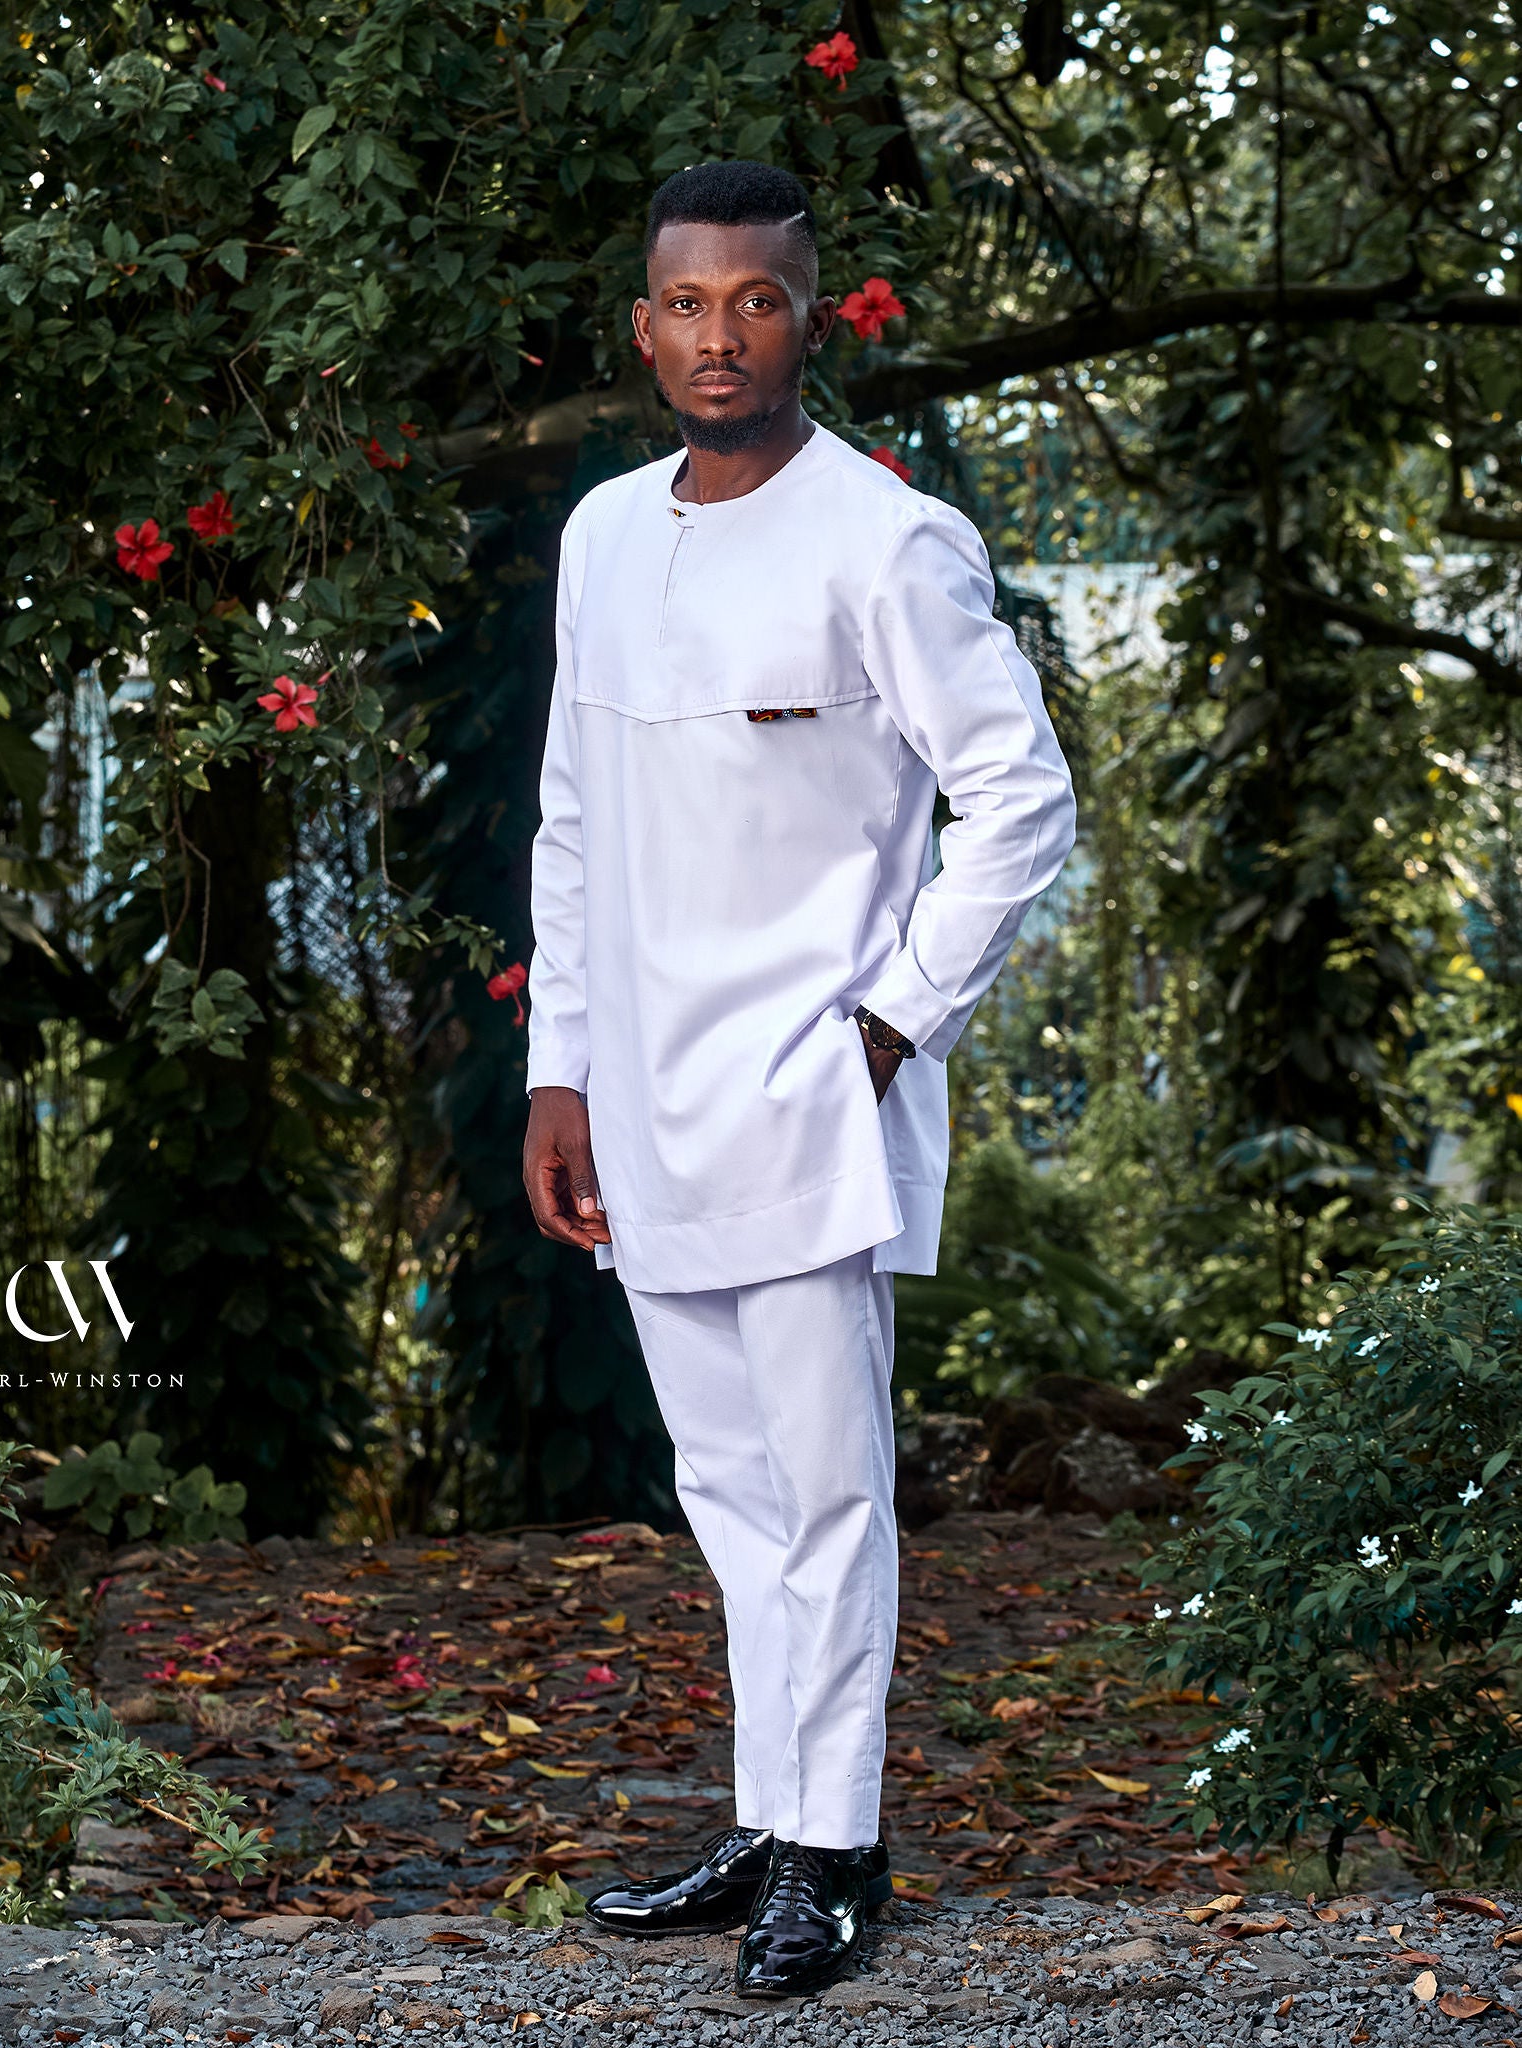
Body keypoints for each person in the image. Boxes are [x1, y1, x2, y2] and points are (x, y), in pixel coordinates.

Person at [521, 159, 1076, 1999]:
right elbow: (575, 817)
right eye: (685, 303)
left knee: (829, 1489)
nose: (716, 336)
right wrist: (558, 1072)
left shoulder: (882, 537)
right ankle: (773, 1815)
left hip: (813, 1083)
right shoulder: (604, 534)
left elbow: (1022, 799)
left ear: (805, 316)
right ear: (641, 323)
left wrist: (893, 1019)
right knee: (727, 1489)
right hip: (648, 1095)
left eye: (753, 300)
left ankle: (834, 1855)